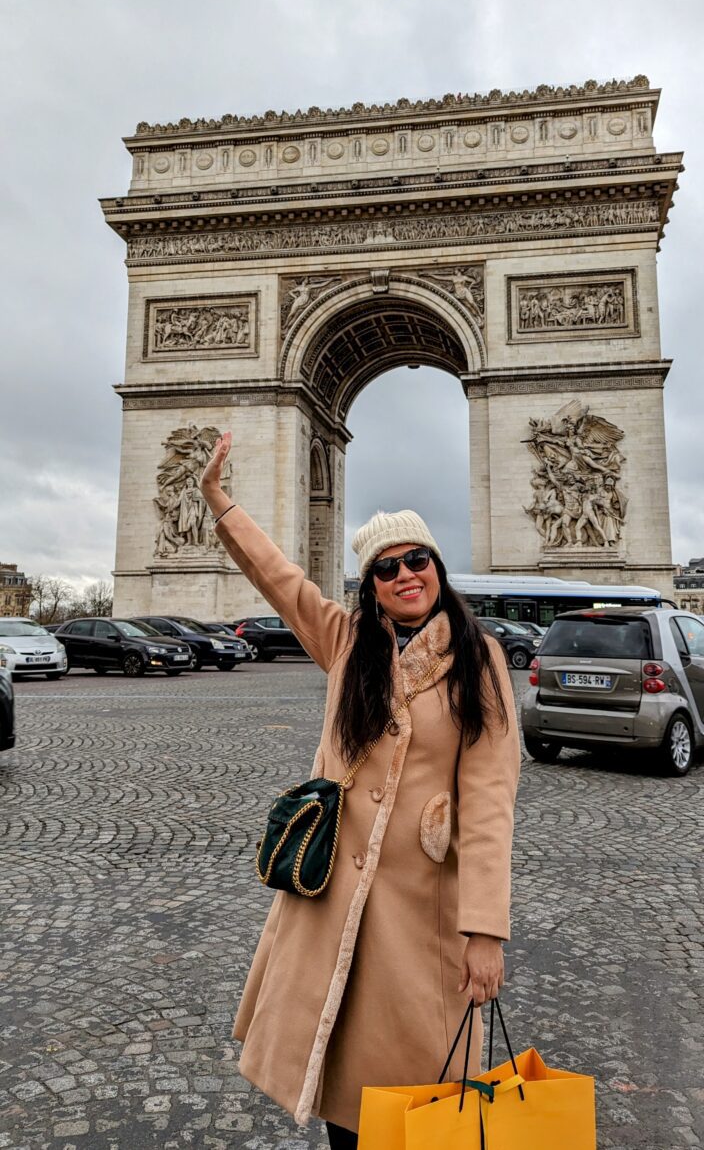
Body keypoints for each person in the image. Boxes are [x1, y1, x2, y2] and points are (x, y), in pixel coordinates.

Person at [200, 433, 521, 1147]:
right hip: (332, 905)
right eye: (386, 568)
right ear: (370, 586)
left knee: (410, 1116)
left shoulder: (482, 660)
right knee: (344, 1108)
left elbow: (493, 803)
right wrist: (219, 500)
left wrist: (485, 931)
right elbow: (278, 576)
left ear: (436, 566)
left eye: (417, 560)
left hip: (421, 916)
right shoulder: (347, 643)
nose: (405, 574)